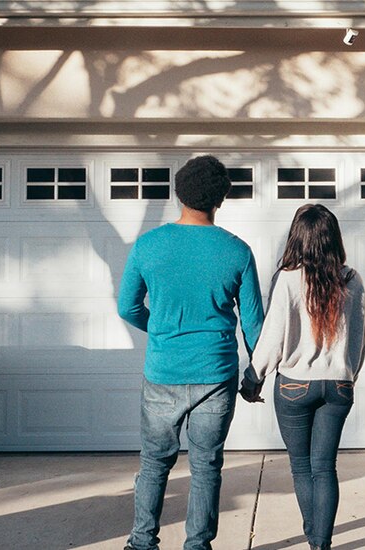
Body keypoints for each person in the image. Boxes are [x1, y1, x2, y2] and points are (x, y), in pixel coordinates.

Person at [118, 155, 264, 550]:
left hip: (163, 372)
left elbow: (126, 307)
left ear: (178, 193)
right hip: (215, 375)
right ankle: (197, 545)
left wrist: (163, 330)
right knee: (206, 466)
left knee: (153, 464)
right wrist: (256, 376)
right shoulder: (237, 251)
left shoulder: (148, 245)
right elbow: (254, 325)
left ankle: (142, 542)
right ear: (221, 199)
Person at [240, 204, 365, 550]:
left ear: (298, 238)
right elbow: (357, 339)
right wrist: (348, 375)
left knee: (301, 467)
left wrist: (253, 378)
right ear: (333, 239)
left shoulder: (288, 278)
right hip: (339, 386)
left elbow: (273, 337)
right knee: (324, 468)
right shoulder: (351, 279)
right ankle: (321, 544)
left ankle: (315, 540)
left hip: (295, 385)